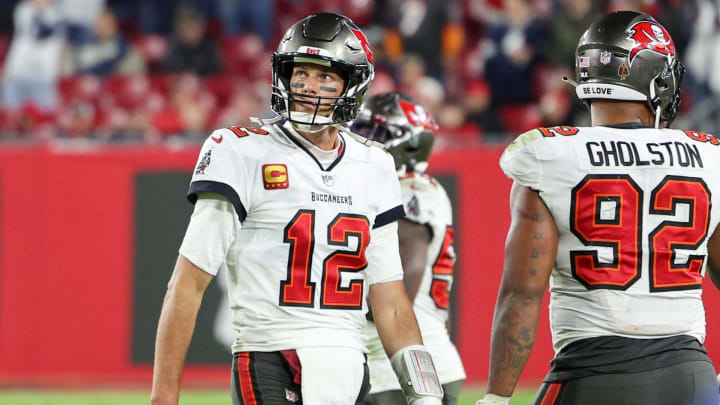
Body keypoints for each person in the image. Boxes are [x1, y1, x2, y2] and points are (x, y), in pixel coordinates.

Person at [150, 13, 444, 405]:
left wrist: (426, 395)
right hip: (271, 353)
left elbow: (391, 303)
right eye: (300, 72)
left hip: (351, 363)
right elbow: (187, 284)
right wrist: (164, 395)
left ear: (352, 85)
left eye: (326, 76)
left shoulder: (374, 165)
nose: (308, 86)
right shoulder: (240, 151)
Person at [476, 11, 720, 405]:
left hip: (594, 376)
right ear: (656, 78)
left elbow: (521, 294)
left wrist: (496, 398)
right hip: (691, 379)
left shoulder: (551, 154)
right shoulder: (710, 157)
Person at [351, 93, 466, 404]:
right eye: (361, 130)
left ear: (411, 144)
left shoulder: (411, 190)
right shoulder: (379, 188)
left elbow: (401, 283)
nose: (364, 142)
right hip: (403, 360)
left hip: (398, 366)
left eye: (378, 134)